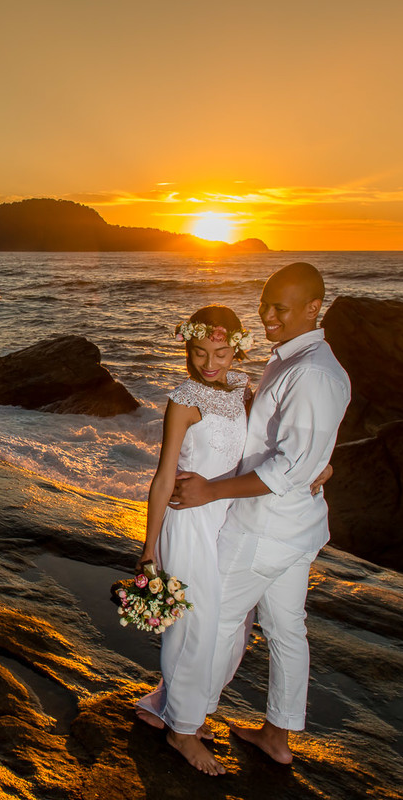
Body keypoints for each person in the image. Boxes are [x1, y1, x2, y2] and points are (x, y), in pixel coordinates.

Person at [169, 262, 350, 766]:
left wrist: (211, 491)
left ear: (315, 307)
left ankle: (186, 720)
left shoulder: (310, 370)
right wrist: (322, 464)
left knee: (215, 618)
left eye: (280, 307)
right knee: (287, 629)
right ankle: (277, 734)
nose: (267, 315)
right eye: (264, 304)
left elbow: (290, 464)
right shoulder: (295, 358)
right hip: (295, 527)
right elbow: (301, 447)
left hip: (265, 529)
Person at [132, 304, 253, 776]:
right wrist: (149, 548)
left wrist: (320, 464)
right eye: (200, 352)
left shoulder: (245, 392)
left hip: (226, 518)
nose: (209, 363)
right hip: (188, 524)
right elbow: (163, 478)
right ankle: (182, 731)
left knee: (229, 623)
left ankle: (182, 705)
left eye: (221, 352)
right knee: (191, 624)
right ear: (188, 348)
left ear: (237, 350)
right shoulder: (183, 398)